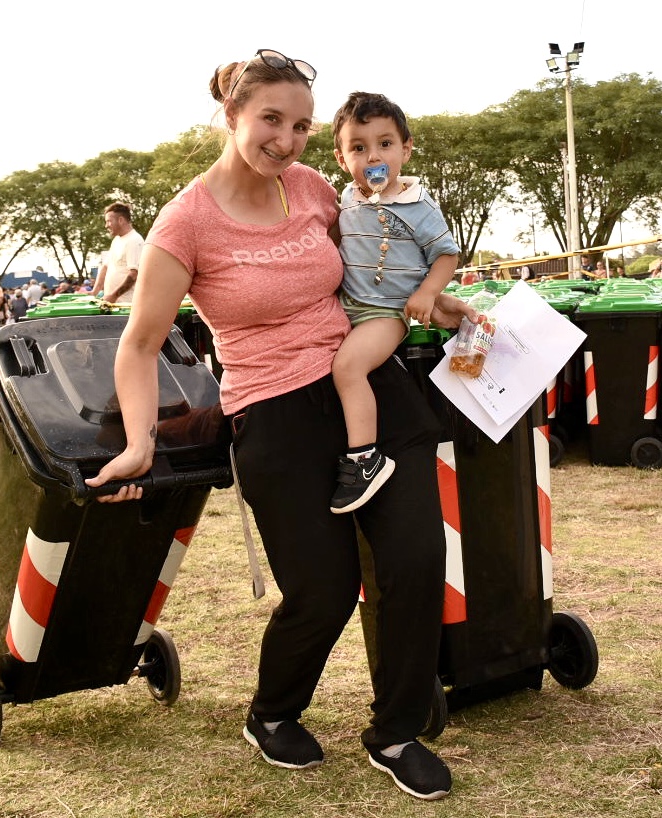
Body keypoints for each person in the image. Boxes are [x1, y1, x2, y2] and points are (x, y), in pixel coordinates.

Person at [84, 50, 473, 802]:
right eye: (270, 120)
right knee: (321, 591)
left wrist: (433, 298)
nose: (286, 141)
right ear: (229, 117)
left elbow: (368, 271)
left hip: (365, 387)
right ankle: (271, 715)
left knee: (416, 561)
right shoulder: (185, 222)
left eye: (300, 126)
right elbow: (137, 344)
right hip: (272, 411)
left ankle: (394, 731)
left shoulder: (313, 189)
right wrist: (138, 443)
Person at [327, 91, 460, 513]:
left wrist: (427, 293)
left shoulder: (419, 207)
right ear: (341, 158)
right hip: (348, 307)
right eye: (359, 148)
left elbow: (446, 255)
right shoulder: (348, 198)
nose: (373, 156)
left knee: (348, 369)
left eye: (385, 144)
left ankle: (365, 457)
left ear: (406, 148)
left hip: (386, 313)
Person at [93, 202, 144, 304]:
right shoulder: (116, 240)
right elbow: (105, 267)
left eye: (109, 221)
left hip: (126, 305)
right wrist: (95, 291)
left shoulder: (134, 240)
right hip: (113, 303)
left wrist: (114, 296)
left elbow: (134, 274)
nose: (106, 225)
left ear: (120, 220)